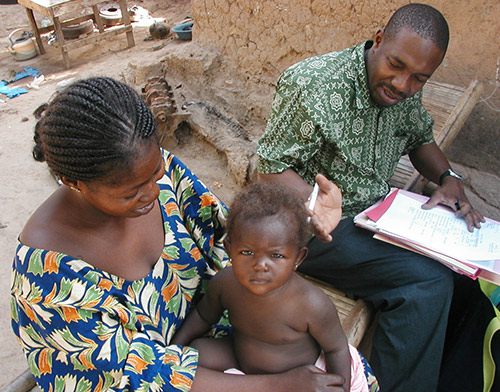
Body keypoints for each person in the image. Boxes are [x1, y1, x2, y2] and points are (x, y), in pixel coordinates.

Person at [10, 77, 349, 392]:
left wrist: (298, 217)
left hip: (226, 347)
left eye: (154, 172)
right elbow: (135, 375)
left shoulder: (162, 174)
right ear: (74, 183)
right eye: (131, 193)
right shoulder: (46, 278)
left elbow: (229, 239)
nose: (153, 192)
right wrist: (277, 385)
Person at [256, 3, 488, 392]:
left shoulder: (404, 86)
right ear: (378, 39)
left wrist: (448, 178)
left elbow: (420, 138)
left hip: (378, 216)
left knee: (468, 281)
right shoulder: (313, 84)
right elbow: (270, 168)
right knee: (425, 284)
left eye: (419, 78)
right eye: (395, 65)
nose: (402, 84)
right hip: (315, 230)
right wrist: (315, 203)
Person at [172, 183, 377, 392]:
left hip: (302, 378)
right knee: (197, 351)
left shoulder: (311, 303)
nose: (260, 266)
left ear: (298, 258)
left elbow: (336, 349)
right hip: (243, 360)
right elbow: (203, 316)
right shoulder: (225, 284)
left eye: (276, 256)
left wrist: (340, 386)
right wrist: (172, 350)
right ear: (230, 249)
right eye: (247, 252)